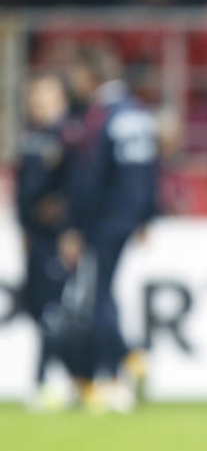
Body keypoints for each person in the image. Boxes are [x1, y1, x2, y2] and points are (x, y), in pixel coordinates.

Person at [59, 44, 157, 412]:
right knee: (104, 294)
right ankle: (124, 366)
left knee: (99, 297)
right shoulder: (137, 112)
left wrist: (74, 226)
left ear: (90, 76)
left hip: (103, 218)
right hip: (128, 216)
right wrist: (146, 216)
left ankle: (121, 368)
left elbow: (89, 176)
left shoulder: (98, 116)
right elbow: (150, 170)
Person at [15, 73, 72, 410]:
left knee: (54, 309)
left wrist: (67, 224)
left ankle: (47, 379)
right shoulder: (31, 138)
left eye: (42, 99)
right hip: (35, 237)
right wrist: (23, 228)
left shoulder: (70, 136)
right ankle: (55, 378)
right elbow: (24, 190)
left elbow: (78, 185)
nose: (35, 106)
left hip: (55, 237)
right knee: (39, 308)